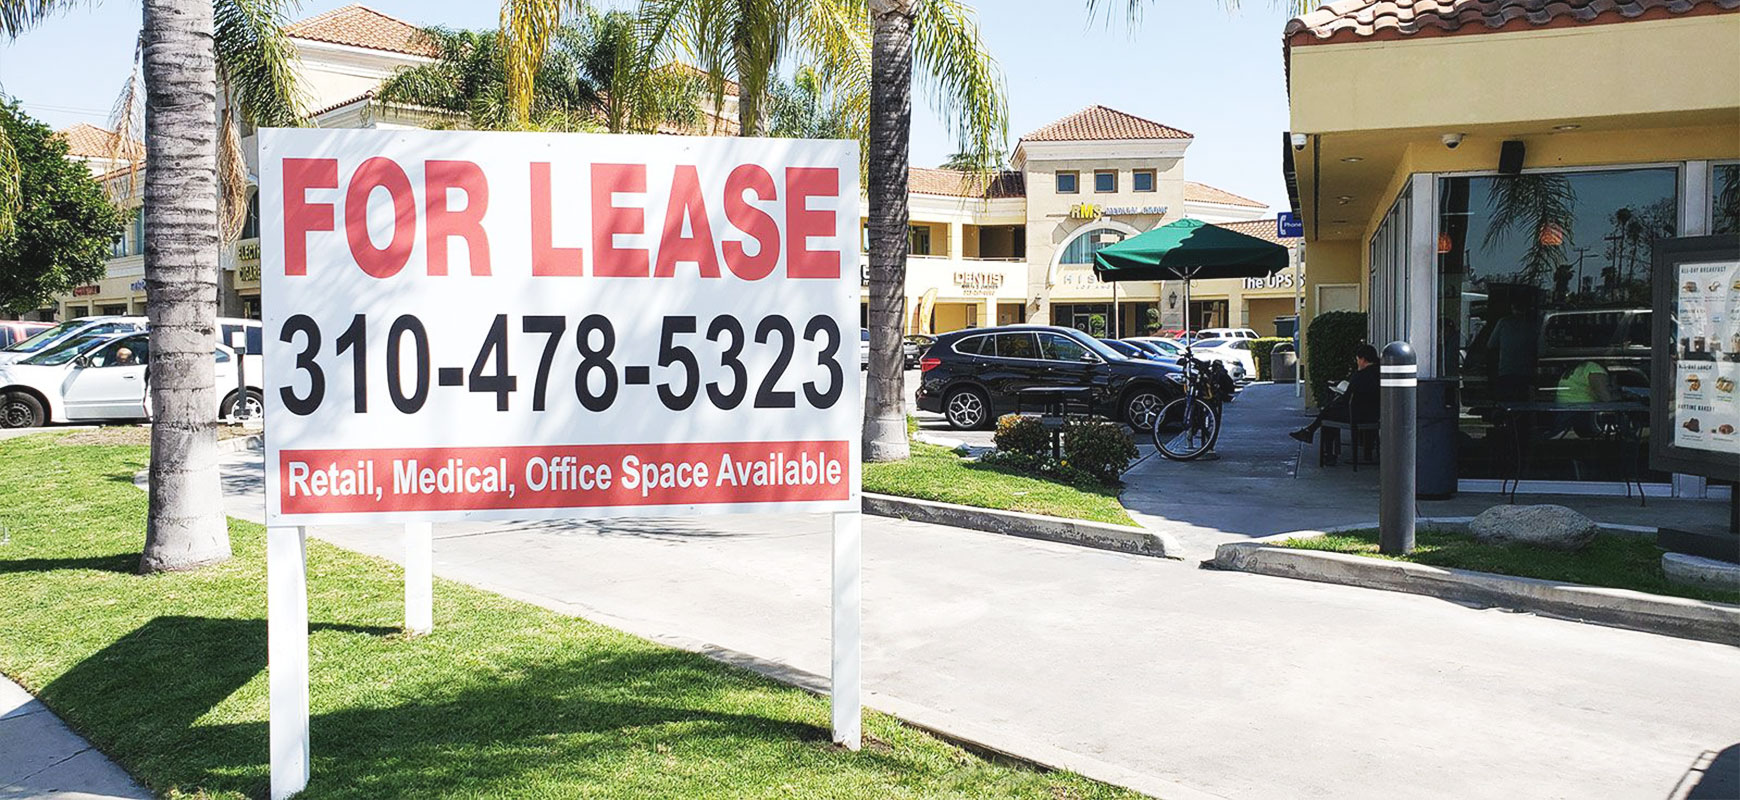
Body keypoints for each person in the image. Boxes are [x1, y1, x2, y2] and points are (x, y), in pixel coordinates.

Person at [1290, 343, 1380, 446]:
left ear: (1363, 360)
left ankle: (1328, 453)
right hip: (1374, 414)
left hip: (1357, 415)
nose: (1358, 363)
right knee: (1330, 410)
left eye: (1358, 360)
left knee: (1328, 413)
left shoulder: (1360, 376)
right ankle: (1309, 431)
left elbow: (1347, 398)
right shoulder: (1379, 372)